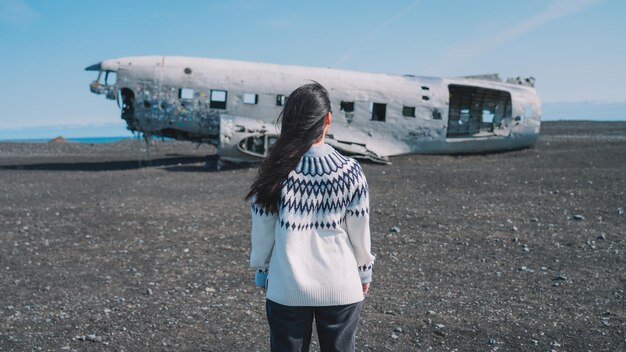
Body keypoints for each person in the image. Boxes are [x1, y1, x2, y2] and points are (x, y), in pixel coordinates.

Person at [246, 82, 375, 352]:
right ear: (328, 119)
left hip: (287, 286)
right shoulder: (350, 170)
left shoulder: (276, 169)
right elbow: (359, 232)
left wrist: (263, 271)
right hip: (341, 285)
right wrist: (364, 272)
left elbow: (263, 231)